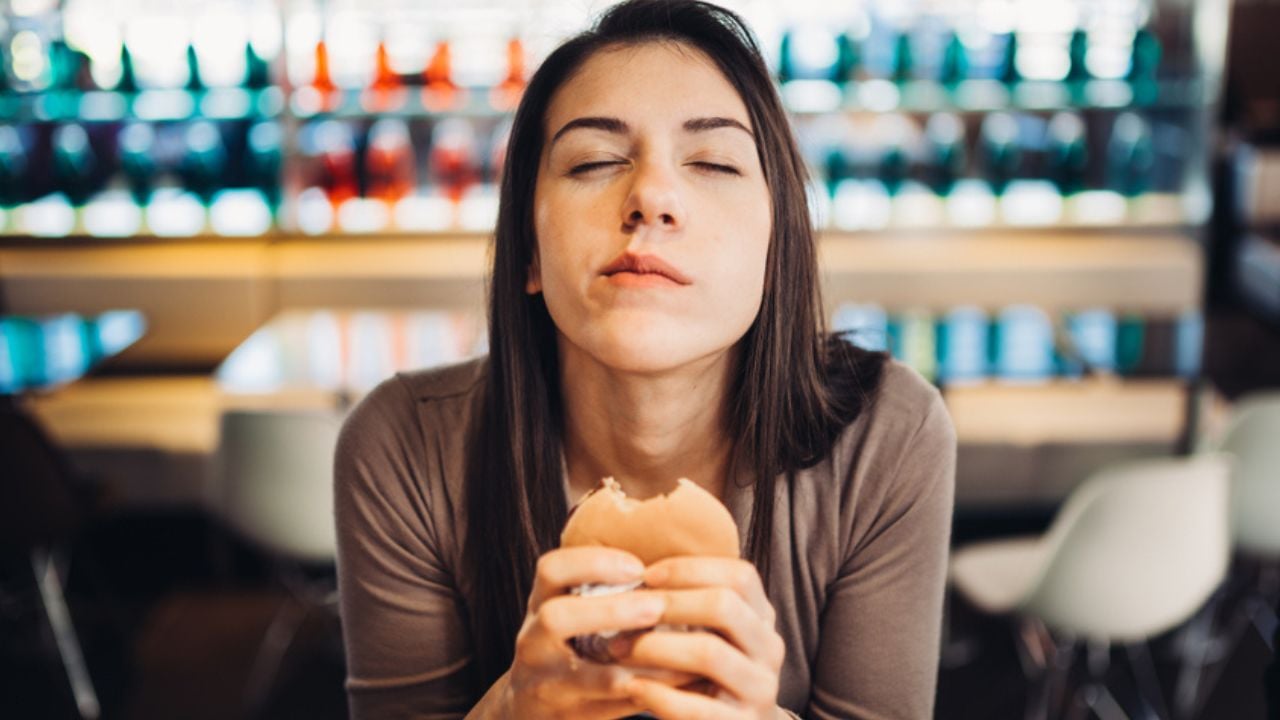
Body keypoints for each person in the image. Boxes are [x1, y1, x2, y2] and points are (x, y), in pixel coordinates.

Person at [334, 1, 956, 718]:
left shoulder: (888, 436)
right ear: (528, 250)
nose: (652, 198)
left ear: (775, 246)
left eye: (715, 162)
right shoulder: (402, 447)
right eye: (595, 161)